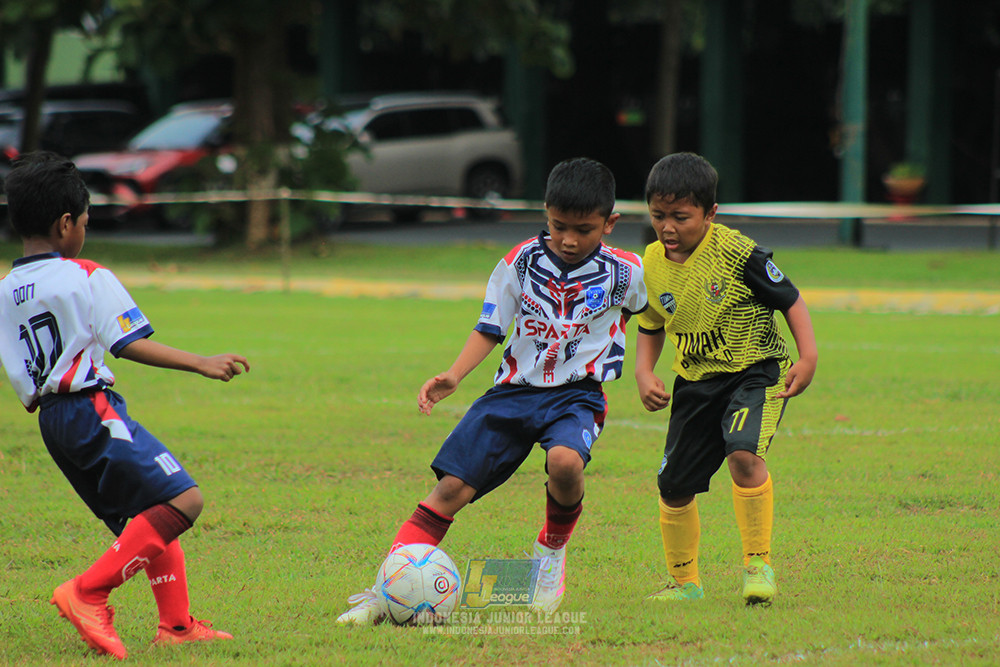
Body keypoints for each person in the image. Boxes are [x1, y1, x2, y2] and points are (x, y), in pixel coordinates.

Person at [337, 157, 648, 624]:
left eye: (583, 229)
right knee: (450, 490)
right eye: (558, 225)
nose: (568, 239)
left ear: (609, 223)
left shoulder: (627, 272)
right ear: (545, 213)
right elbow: (490, 328)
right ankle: (385, 594)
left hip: (576, 396)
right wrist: (454, 375)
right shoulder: (519, 262)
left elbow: (655, 318)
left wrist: (646, 371)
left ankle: (550, 554)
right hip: (511, 394)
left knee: (564, 461)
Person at [0, 152, 250, 659]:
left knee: (149, 511)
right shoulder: (85, 274)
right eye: (86, 222)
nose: (85, 232)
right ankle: (88, 592)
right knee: (184, 501)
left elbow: (25, 380)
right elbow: (127, 342)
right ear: (65, 223)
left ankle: (176, 625)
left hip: (53, 420)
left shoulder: (6, 290)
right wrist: (201, 361)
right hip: (92, 409)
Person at [633, 152, 817, 606]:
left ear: (710, 213)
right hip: (695, 383)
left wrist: (808, 356)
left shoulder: (737, 251)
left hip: (754, 371)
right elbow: (651, 323)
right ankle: (686, 584)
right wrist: (643, 370)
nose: (668, 227)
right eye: (658, 216)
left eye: (680, 216)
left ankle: (758, 566)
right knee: (673, 486)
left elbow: (790, 298)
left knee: (743, 456)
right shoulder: (652, 261)